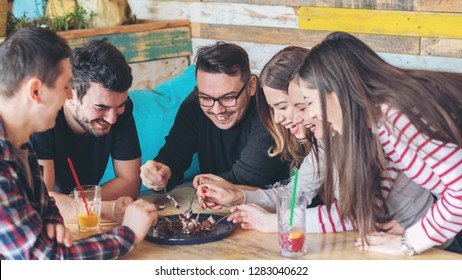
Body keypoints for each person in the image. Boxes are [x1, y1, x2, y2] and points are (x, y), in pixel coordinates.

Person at [198, 48, 434, 242]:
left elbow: (355, 214)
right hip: (383, 240)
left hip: (425, 244)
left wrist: (275, 223)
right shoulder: (325, 137)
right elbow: (295, 193)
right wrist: (240, 197)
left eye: (291, 106)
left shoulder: (373, 133)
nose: (279, 118)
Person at [295, 31, 462, 255]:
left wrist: (408, 242)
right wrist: (420, 227)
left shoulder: (399, 114)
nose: (315, 114)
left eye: (310, 103)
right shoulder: (382, 122)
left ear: (335, 92)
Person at [0, 27, 157, 260]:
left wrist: (51, 221)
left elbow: (44, 204)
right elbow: (46, 259)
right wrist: (129, 233)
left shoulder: (18, 146)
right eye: (65, 87)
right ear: (35, 91)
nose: (68, 96)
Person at [140, 42, 290, 192]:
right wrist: (160, 174)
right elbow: (173, 155)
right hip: (219, 206)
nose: (217, 110)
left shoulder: (269, 108)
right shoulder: (195, 104)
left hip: (273, 207)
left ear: (251, 86)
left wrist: (202, 183)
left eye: (229, 97)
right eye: (206, 98)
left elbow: (248, 178)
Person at [30, 40, 141, 223]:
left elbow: (130, 182)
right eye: (101, 107)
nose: (112, 119)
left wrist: (74, 205)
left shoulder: (119, 111)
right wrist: (106, 208)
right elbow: (42, 202)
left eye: (119, 105)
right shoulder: (43, 118)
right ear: (70, 94)